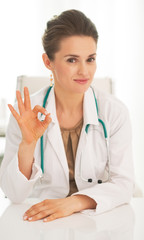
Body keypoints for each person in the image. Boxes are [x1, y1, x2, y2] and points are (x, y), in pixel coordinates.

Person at [0, 9, 134, 222]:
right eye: (72, 60)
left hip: (96, 221)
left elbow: (124, 185)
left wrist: (74, 202)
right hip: (39, 221)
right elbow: (14, 195)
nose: (84, 71)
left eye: (90, 59)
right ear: (48, 62)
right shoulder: (27, 112)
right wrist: (28, 143)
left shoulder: (114, 112)